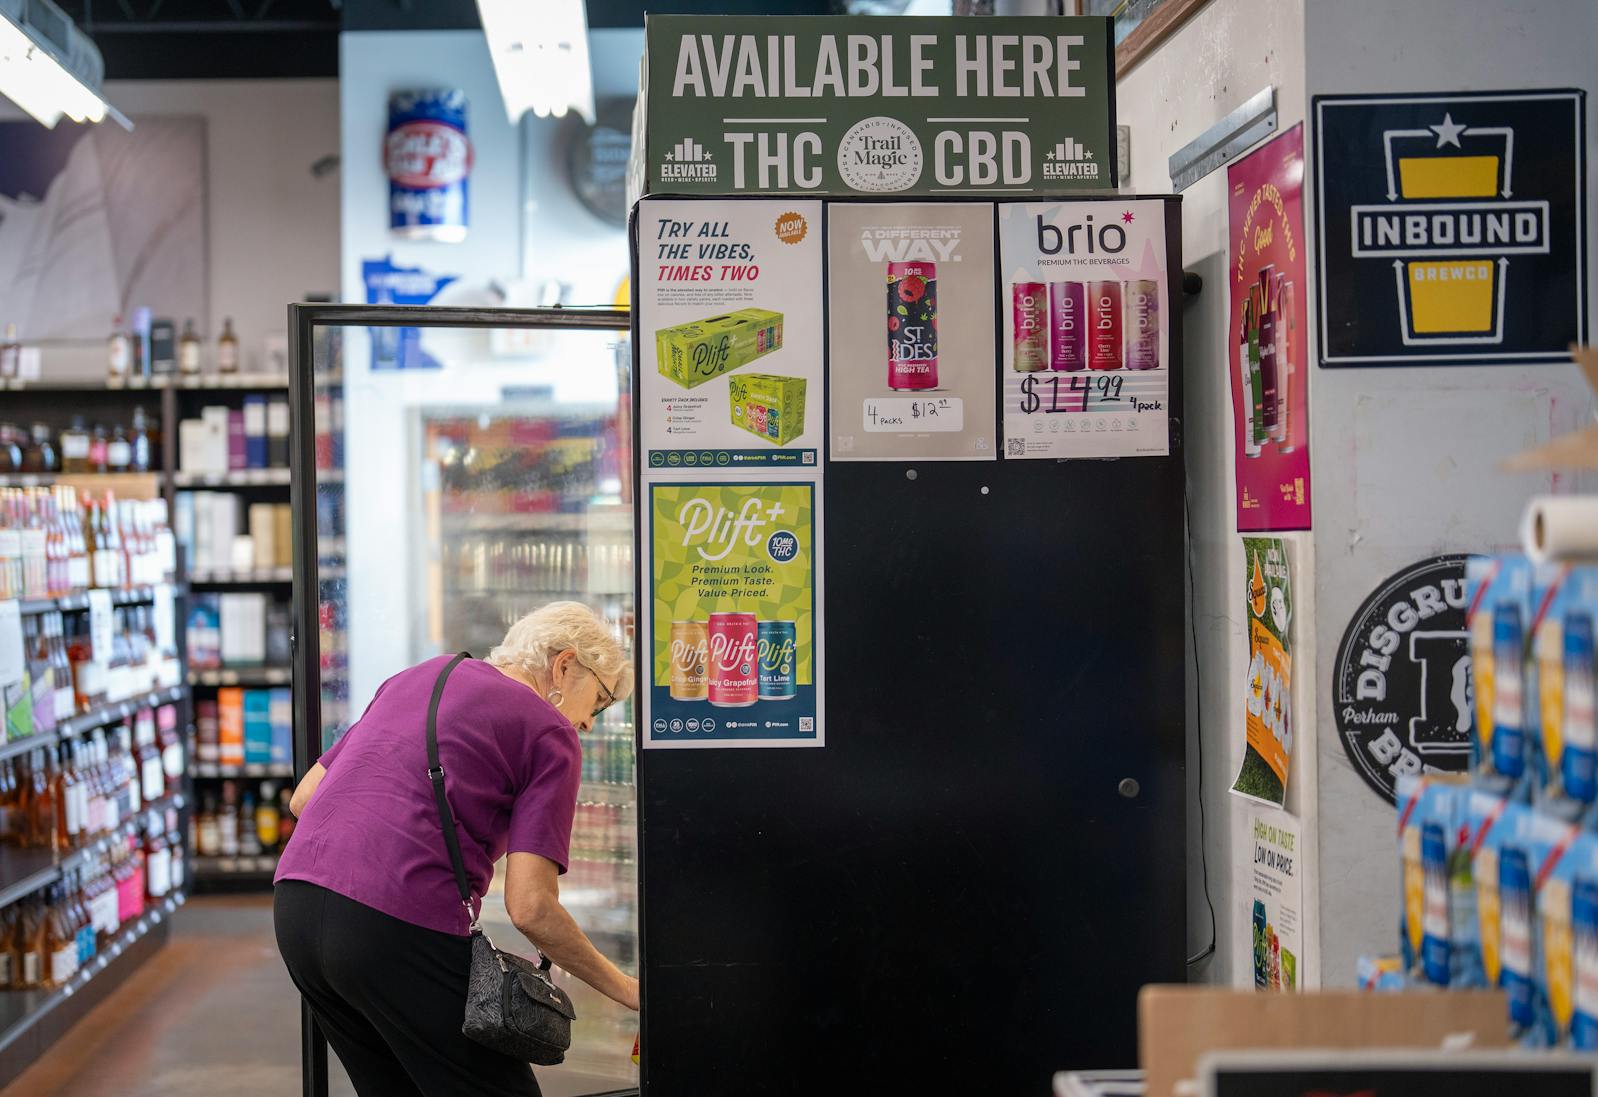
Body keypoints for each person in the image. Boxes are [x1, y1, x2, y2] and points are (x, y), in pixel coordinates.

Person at [273, 602, 637, 1097]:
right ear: (564, 664)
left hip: (296, 905)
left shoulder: (420, 677)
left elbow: (305, 798)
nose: (590, 723)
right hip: (394, 926)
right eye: (598, 701)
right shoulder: (549, 731)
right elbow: (532, 907)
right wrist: (630, 991)